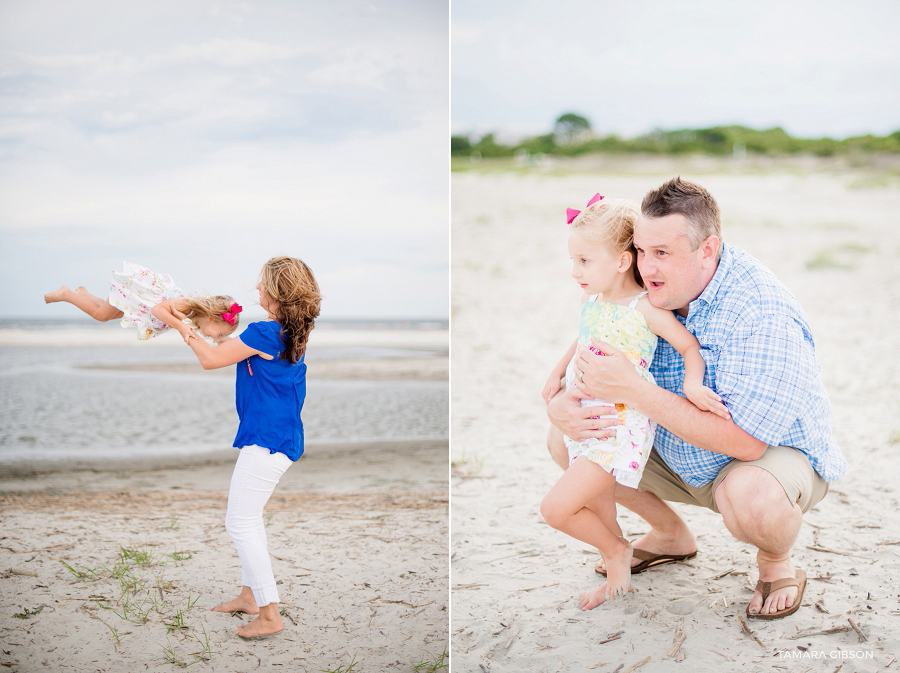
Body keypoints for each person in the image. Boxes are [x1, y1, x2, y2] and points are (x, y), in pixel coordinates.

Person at [546, 177, 847, 620]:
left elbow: (747, 443)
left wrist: (634, 390)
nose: (647, 268)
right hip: (677, 443)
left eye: (663, 254)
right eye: (642, 251)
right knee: (565, 438)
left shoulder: (760, 312)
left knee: (753, 496)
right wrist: (558, 400)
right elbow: (597, 331)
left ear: (707, 249)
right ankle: (669, 535)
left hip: (760, 457)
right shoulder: (648, 286)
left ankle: (776, 563)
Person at [539, 195, 729, 611]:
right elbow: (582, 337)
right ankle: (615, 577)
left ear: (622, 262)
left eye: (585, 261)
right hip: (587, 419)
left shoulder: (643, 309)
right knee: (599, 508)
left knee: (556, 509)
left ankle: (616, 550)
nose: (575, 271)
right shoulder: (596, 302)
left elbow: (688, 346)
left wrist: (694, 384)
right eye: (574, 260)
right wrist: (557, 371)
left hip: (616, 425)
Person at [179, 255, 321, 640]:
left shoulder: (264, 331)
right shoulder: (284, 331)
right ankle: (249, 596)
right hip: (278, 438)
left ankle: (270, 614)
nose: (255, 289)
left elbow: (211, 360)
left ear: (275, 293)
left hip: (268, 440)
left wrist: (181, 325)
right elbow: (228, 347)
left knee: (239, 522)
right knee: (250, 518)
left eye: (261, 284)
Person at [44, 262, 239, 343]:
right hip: (137, 295)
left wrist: (226, 341)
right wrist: (179, 325)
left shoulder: (197, 318)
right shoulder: (187, 305)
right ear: (212, 318)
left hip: (140, 307)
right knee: (102, 316)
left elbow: (218, 339)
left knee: (111, 313)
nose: (216, 338)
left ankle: (84, 294)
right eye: (220, 334)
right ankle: (67, 294)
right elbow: (157, 309)